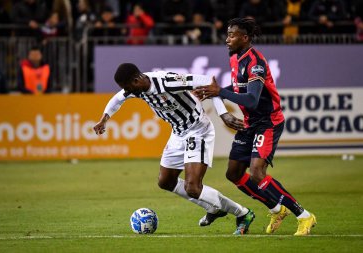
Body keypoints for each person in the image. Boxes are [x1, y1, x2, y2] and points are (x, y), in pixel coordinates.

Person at [93, 63, 255, 235]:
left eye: (128, 89)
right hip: (178, 134)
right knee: (166, 181)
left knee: (193, 187)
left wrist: (223, 113)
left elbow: (209, 81)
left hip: (197, 130)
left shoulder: (167, 81)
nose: (128, 93)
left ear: (136, 80)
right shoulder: (134, 87)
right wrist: (104, 118)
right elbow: (118, 98)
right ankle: (214, 208)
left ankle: (242, 213)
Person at [196, 18, 316, 236]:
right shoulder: (235, 58)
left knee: (257, 173)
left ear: (245, 38)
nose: (227, 39)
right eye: (227, 34)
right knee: (233, 173)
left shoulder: (255, 62)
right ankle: (276, 209)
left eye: (232, 35)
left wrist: (219, 92)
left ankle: (304, 215)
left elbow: (251, 99)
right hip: (250, 123)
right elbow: (239, 90)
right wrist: (216, 91)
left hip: (267, 122)